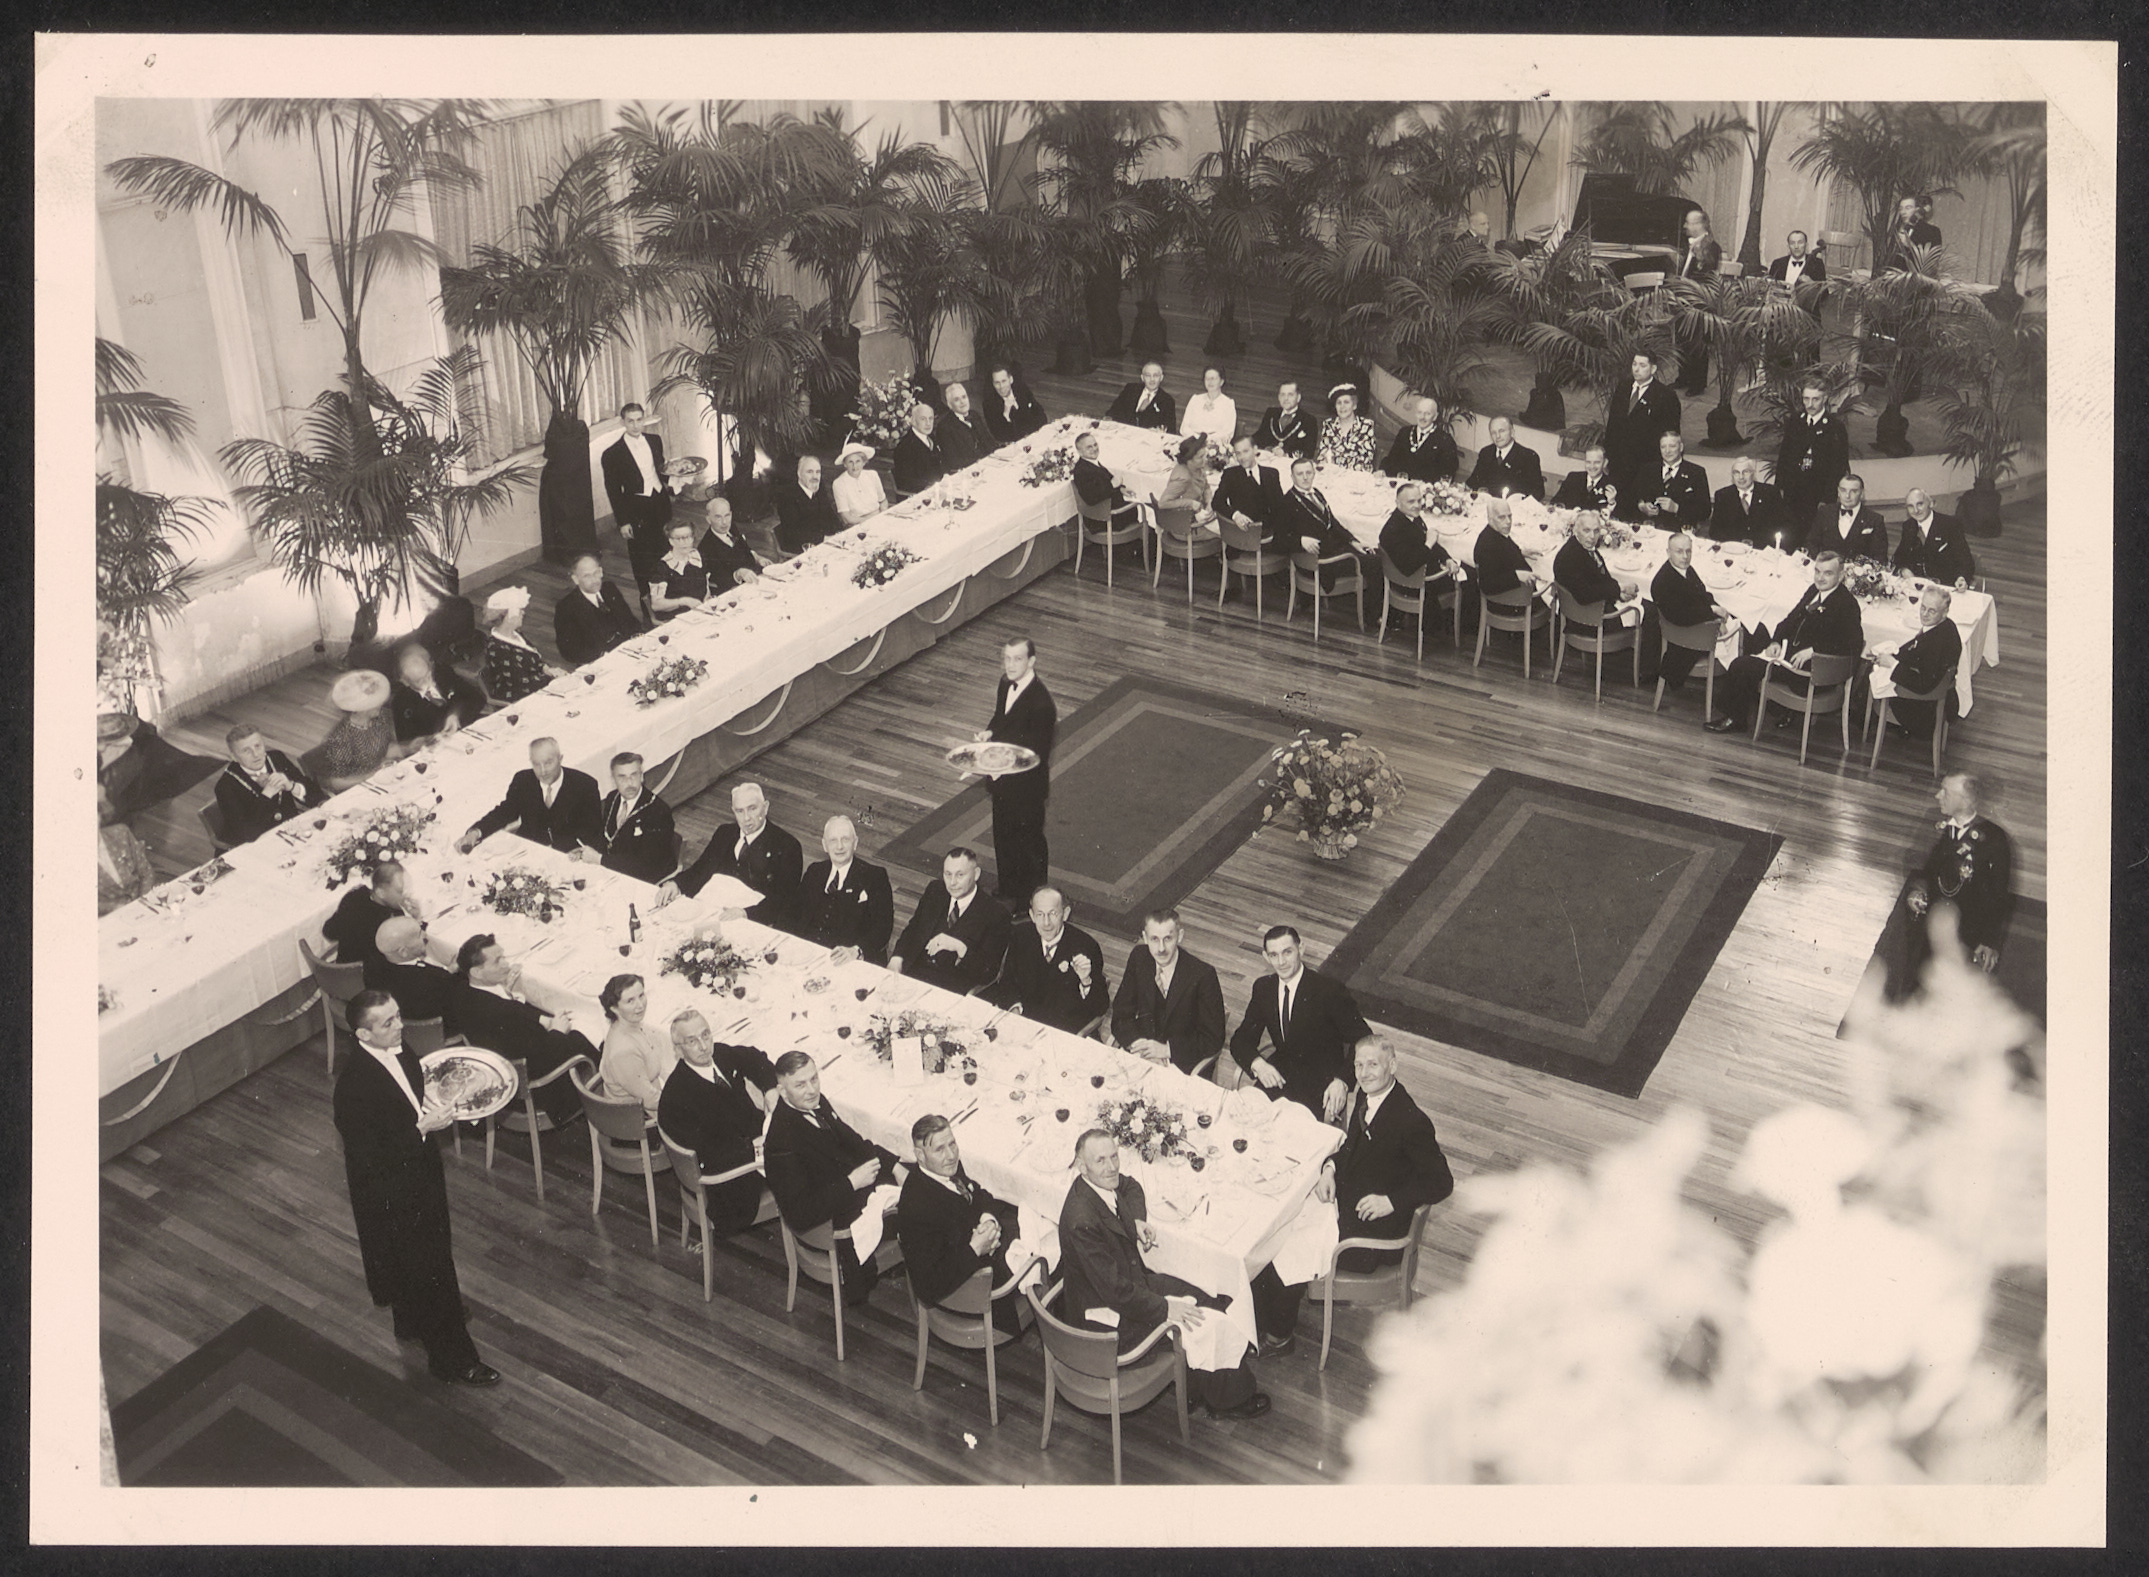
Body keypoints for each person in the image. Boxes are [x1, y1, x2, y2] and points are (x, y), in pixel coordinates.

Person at [1248, 1036, 1455, 1355]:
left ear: (1392, 1066)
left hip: (1372, 1235)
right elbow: (1350, 1148)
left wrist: (1390, 1202)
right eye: (1359, 1065)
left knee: (1288, 1246)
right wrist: (1330, 1168)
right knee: (1278, 1226)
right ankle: (1260, 1318)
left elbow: (1442, 1181)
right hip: (1348, 1203)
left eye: (1373, 1064)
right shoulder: (1367, 1096)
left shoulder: (1410, 1120)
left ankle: (1279, 1335)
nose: (1364, 1073)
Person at [332, 992, 497, 1386]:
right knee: (431, 1267)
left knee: (418, 1263)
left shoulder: (399, 1048)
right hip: (391, 1192)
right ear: (363, 1035)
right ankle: (454, 1361)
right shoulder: (352, 1087)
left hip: (418, 1173)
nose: (400, 1026)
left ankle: (409, 1321)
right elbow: (369, 1155)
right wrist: (421, 1128)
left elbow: (410, 1098)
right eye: (388, 1022)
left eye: (398, 1015)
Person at [1057, 1129, 1269, 1420]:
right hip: (1109, 1321)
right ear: (1082, 1167)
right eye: (1100, 1160)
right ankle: (1228, 1400)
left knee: (1207, 1298)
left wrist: (1135, 1219)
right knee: (1203, 1322)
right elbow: (1116, 1293)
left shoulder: (1098, 1185)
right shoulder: (1081, 1219)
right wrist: (1167, 1307)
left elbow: (1131, 1187)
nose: (1112, 1167)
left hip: (1130, 1286)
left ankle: (1195, 1387)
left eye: (1114, 1157)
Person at [762, 1051, 906, 1305]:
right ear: (782, 1092)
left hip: (849, 1191)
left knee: (921, 1174)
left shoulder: (815, 1104)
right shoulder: (781, 1141)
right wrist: (852, 1182)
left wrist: (894, 1165)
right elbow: (800, 1213)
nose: (812, 1090)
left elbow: (854, 1143)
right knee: (927, 1205)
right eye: (800, 1084)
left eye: (814, 1079)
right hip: (834, 1225)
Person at [898, 1113, 1029, 1334]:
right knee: (1052, 1251)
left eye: (952, 1144)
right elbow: (928, 1286)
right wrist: (975, 1248)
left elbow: (978, 1194)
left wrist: (988, 1219)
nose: (951, 1155)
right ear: (920, 1155)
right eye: (939, 1149)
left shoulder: (944, 1168)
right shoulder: (917, 1205)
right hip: (972, 1292)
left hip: (982, 1252)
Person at [1226, 925, 1372, 1124]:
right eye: (1274, 955)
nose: (1281, 962)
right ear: (1266, 957)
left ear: (1301, 949)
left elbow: (1364, 1039)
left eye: (1287, 952)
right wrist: (1258, 1064)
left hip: (1321, 1082)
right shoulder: (1263, 988)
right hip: (1279, 1074)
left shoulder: (1329, 990)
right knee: (1247, 1122)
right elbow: (1241, 1039)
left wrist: (1342, 1081)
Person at [447, 931, 597, 1125]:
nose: (506, 964)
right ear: (476, 972)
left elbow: (510, 1012)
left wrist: (538, 1017)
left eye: (503, 956)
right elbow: (542, 1059)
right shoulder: (501, 1013)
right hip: (540, 1087)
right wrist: (558, 1031)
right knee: (591, 1029)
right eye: (497, 961)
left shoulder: (464, 991)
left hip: (508, 1064)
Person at [1706, 551, 1865, 732]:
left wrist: (1814, 650)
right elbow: (1791, 619)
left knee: (1741, 665)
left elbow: (1853, 645)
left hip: (1811, 673)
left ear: (1841, 575)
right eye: (1817, 571)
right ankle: (1776, 707)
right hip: (1792, 659)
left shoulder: (1847, 604)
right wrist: (1776, 641)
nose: (1820, 578)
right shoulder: (1815, 591)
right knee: (1757, 634)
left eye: (1828, 573)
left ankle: (1736, 719)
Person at [1888, 773, 2013, 997]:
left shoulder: (1994, 839)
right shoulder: (1934, 824)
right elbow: (1917, 860)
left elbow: (1999, 894)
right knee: (1916, 980)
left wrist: (1989, 940)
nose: (1938, 796)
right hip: (1928, 920)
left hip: (1967, 927)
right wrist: (1918, 889)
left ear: (1966, 801)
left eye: (1945, 792)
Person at [655, 1009, 779, 1233]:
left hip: (754, 1140)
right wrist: (754, 1147)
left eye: (706, 1035)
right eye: (692, 1041)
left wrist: (770, 1089)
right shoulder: (677, 1098)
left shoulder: (719, 1055)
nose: (704, 1046)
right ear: (678, 1050)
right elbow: (708, 1157)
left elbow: (755, 1058)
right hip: (731, 1181)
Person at [976, 636, 1056, 907]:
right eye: (1007, 659)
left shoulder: (1042, 704)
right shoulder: (1005, 683)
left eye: (1017, 659)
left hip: (1026, 787)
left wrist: (997, 763)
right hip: (1002, 782)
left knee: (1028, 843)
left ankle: (1030, 900)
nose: (1010, 665)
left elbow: (1035, 755)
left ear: (1031, 661)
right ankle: (1008, 889)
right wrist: (990, 733)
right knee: (1003, 836)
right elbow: (1001, 717)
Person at [661, 780, 804, 927]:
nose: (746, 818)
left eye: (752, 809)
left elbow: (783, 900)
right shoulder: (725, 833)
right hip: (709, 908)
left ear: (765, 807)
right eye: (739, 811)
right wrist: (676, 884)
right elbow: (700, 869)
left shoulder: (787, 846)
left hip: (749, 919)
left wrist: (746, 913)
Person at [1109, 908, 1227, 1076]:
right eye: (1154, 939)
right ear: (1145, 937)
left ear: (1180, 936)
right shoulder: (1138, 958)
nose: (1161, 948)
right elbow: (1121, 1014)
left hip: (1182, 1066)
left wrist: (1167, 1050)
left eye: (1168, 939)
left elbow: (1213, 1039)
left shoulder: (1203, 975)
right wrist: (1141, 1048)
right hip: (1140, 1055)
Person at [983, 886, 1110, 1035]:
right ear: (1031, 915)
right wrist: (1014, 1007)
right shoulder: (1020, 935)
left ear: (1065, 914)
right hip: (1025, 1025)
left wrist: (1086, 980)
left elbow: (1100, 1007)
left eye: (1053, 914)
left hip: (1064, 1033)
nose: (1046, 923)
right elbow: (1008, 981)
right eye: (1040, 914)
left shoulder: (1086, 946)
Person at [890, 846, 1012, 996]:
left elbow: (988, 972)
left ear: (976, 874)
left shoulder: (996, 913)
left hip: (950, 991)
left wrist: (961, 948)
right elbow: (913, 929)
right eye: (948, 874)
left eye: (960, 875)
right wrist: (897, 957)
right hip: (913, 977)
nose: (952, 882)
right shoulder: (935, 890)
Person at [456, 735, 604, 858]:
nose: (543, 771)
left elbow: (592, 831)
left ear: (560, 759)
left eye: (548, 763)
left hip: (567, 855)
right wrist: (475, 833)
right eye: (536, 764)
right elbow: (504, 812)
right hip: (527, 851)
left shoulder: (585, 785)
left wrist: (567, 852)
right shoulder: (523, 780)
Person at [794, 814, 895, 966]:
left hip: (847, 960)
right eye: (833, 840)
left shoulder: (875, 877)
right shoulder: (815, 871)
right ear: (824, 845)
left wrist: (856, 950)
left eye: (845, 839)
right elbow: (793, 912)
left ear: (855, 843)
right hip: (809, 954)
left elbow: (883, 927)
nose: (839, 846)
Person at [1871, 584, 1963, 740]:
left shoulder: (1936, 642)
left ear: (1945, 612)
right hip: (1940, 696)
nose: (1924, 614)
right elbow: (1918, 648)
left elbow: (1923, 684)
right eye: (1923, 608)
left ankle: (1868, 723)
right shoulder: (1947, 626)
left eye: (1932, 611)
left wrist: (1893, 664)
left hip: (1921, 708)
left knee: (1870, 677)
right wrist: (1894, 654)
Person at [1647, 531, 1736, 693]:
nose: (1685, 556)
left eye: (1688, 551)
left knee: (1750, 630)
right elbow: (1680, 616)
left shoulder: (1684, 569)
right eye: (1679, 551)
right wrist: (1713, 614)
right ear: (1668, 552)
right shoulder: (1663, 582)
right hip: (1688, 642)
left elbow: (1703, 594)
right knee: (1750, 639)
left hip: (1700, 628)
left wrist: (1717, 614)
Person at [600, 401, 675, 590]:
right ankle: (646, 596)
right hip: (637, 508)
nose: (635, 425)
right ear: (622, 422)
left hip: (660, 501)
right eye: (630, 421)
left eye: (639, 420)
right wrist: (623, 521)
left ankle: (670, 590)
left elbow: (661, 470)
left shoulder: (655, 440)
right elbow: (613, 490)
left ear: (644, 420)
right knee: (642, 556)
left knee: (667, 547)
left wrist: (678, 478)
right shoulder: (612, 454)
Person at [213, 724, 323, 845]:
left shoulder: (277, 758)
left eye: (258, 746)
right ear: (233, 757)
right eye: (246, 751)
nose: (256, 754)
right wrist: (266, 796)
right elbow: (247, 833)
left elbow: (318, 797)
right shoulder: (225, 786)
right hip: (257, 844)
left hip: (292, 833)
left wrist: (292, 786)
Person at [309, 669, 408, 793]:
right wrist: (370, 776)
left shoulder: (381, 716)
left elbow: (389, 745)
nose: (380, 704)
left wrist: (405, 748)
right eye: (374, 702)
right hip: (361, 789)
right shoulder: (341, 737)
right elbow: (337, 782)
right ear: (359, 708)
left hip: (385, 778)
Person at [1281, 456, 1372, 589]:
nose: (1305, 477)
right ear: (1292, 477)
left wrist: (1353, 541)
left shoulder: (1316, 493)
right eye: (1300, 474)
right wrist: (1300, 540)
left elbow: (1332, 523)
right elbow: (1279, 539)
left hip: (1334, 550)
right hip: (1322, 563)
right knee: (1376, 564)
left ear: (1314, 474)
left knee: (1375, 553)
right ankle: (1372, 603)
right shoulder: (1287, 501)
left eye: (1308, 473)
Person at [1602, 351, 1681, 504]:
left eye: (1642, 365)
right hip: (1619, 464)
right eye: (1634, 364)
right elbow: (1612, 426)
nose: (1636, 369)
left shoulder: (1665, 395)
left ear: (1653, 369)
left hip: (1645, 466)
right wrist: (1607, 455)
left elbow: (1670, 435)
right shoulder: (1623, 387)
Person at [589, 751, 677, 884]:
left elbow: (646, 865)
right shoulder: (612, 798)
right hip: (616, 869)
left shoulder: (658, 811)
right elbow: (606, 836)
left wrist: (600, 859)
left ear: (642, 776)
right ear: (613, 780)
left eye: (634, 775)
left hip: (646, 879)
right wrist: (589, 850)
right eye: (622, 777)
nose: (629, 783)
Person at [1775, 382, 1850, 533]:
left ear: (1825, 398)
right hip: (1793, 492)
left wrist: (1827, 498)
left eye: (1815, 399)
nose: (1810, 404)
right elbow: (1784, 456)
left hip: (1817, 494)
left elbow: (1838, 466)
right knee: (1790, 534)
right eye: (1806, 399)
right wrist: (1779, 488)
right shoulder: (1795, 421)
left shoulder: (1835, 427)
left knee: (1814, 535)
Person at [593, 974, 670, 1118]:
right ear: (615, 1008)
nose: (640, 1005)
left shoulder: (629, 1025)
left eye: (641, 995)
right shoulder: (623, 1051)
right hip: (638, 1117)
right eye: (630, 1001)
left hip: (649, 1092)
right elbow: (650, 1100)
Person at [553, 553, 645, 668]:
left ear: (601, 571)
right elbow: (568, 650)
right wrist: (602, 656)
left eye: (596, 573)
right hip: (600, 662)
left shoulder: (609, 589)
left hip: (629, 652)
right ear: (575, 579)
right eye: (587, 576)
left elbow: (630, 621)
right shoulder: (566, 607)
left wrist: (638, 640)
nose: (594, 580)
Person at [474, 584, 562, 703]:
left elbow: (534, 659)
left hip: (536, 686)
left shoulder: (516, 634)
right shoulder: (497, 648)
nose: (523, 613)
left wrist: (546, 669)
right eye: (519, 610)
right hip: (519, 697)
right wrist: (552, 678)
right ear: (507, 616)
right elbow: (521, 684)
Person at [388, 643, 487, 746]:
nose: (427, 681)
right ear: (405, 682)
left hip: (470, 734)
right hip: (440, 748)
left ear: (430, 666)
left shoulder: (442, 672)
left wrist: (455, 713)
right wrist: (433, 736)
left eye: (428, 675)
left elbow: (477, 698)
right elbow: (408, 744)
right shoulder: (401, 703)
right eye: (419, 681)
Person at [364, 916, 455, 1025]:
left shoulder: (371, 964)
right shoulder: (434, 982)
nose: (425, 935)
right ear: (403, 952)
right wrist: (452, 970)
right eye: (419, 935)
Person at [324, 858, 412, 971]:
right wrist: (417, 918)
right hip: (368, 974)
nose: (406, 895)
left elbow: (329, 932)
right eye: (400, 891)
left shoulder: (355, 895)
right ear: (381, 892)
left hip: (343, 966)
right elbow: (410, 948)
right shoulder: (387, 922)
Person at [1673, 208, 1724, 394]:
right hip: (1683, 300)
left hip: (1699, 302)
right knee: (1682, 340)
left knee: (1698, 343)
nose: (1685, 226)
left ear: (1700, 225)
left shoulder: (1712, 247)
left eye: (1688, 222)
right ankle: (1683, 377)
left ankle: (1697, 383)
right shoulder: (1686, 245)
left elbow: (1707, 274)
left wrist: (1698, 254)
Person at [1378, 481, 1465, 585]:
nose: (1417, 505)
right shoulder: (1392, 531)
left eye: (1419, 500)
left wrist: (1447, 559)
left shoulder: (1410, 517)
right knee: (1470, 577)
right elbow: (1409, 567)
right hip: (1415, 584)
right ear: (1398, 503)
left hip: (1423, 571)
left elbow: (1427, 542)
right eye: (1411, 502)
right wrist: (1428, 544)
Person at [1553, 509, 1638, 611]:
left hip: (1592, 606)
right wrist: (1620, 588)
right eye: (1586, 531)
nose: (1592, 536)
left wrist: (1619, 594)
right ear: (1576, 531)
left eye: (1596, 531)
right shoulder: (1570, 557)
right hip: (1590, 614)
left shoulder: (1583, 547)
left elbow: (1601, 579)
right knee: (1648, 609)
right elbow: (1585, 594)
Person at [1212, 434, 1286, 545]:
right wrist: (1236, 515)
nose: (1242, 457)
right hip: (1243, 537)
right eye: (1238, 453)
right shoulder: (1230, 475)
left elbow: (1280, 506)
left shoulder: (1271, 473)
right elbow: (1217, 502)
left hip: (1270, 537)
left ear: (1255, 450)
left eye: (1245, 451)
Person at [1893, 489, 1976, 585]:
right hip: (1918, 585)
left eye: (1920, 504)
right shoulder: (1908, 526)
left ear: (1931, 503)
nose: (1916, 510)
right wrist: (1903, 569)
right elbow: (1899, 557)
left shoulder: (1950, 525)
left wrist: (1962, 578)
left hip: (1944, 585)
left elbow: (1966, 561)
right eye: (1910, 506)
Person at [96, 785, 156, 916]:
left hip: (144, 904)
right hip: (111, 917)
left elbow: (146, 871)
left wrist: (143, 901)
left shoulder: (121, 833)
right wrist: (114, 908)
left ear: (100, 815)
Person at [1637, 430, 1712, 531]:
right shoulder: (1648, 470)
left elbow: (1705, 511)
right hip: (1650, 530)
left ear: (1681, 447)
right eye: (1663, 447)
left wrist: (1677, 508)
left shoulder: (1696, 472)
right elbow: (1636, 497)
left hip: (1682, 532)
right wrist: (1643, 507)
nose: (1667, 451)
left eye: (1672, 446)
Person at [1468, 496, 1539, 602]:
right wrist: (1518, 575)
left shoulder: (1496, 533)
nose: (1508, 522)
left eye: (1510, 516)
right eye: (1501, 517)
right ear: (1490, 519)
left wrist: (1521, 552)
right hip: (1511, 601)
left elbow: (1504, 552)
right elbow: (1487, 585)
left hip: (1516, 592)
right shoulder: (1487, 544)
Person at [1711, 456, 1790, 548]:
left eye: (1745, 472)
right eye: (1736, 473)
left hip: (1763, 550)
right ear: (1732, 475)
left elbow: (1782, 526)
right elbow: (1714, 531)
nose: (1741, 477)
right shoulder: (1723, 495)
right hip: (1733, 549)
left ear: (1753, 473)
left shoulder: (1770, 493)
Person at [1070, 430, 1140, 534]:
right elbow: (1090, 498)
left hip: (1107, 510)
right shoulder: (1081, 471)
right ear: (1079, 452)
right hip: (1104, 519)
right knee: (1146, 508)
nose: (1094, 449)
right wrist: (1112, 485)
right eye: (1089, 447)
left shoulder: (1090, 463)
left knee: (1142, 500)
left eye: (1095, 445)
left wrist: (1121, 489)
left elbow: (1106, 481)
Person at [1809, 473, 1891, 562]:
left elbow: (1880, 555)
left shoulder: (1874, 519)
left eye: (1853, 491)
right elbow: (1811, 543)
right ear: (1838, 492)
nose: (1847, 496)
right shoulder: (1825, 512)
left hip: (1859, 569)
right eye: (1843, 490)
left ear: (1862, 494)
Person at [1381, 393, 1460, 484]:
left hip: (1427, 489)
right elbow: (1392, 459)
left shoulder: (1445, 440)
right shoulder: (1405, 432)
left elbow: (1447, 473)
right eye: (1419, 413)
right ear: (1416, 413)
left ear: (1435, 416)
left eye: (1427, 414)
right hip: (1402, 486)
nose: (1422, 417)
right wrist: (1383, 470)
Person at [772, 454, 842, 556]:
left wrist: (840, 532)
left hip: (823, 544)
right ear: (799, 474)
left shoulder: (819, 488)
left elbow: (830, 514)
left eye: (818, 472)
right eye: (809, 472)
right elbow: (793, 533)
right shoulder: (787, 496)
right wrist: (824, 539)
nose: (815, 476)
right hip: (800, 549)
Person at [693, 496, 763, 593]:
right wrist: (738, 574)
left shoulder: (731, 527)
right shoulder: (706, 547)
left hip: (752, 579)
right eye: (718, 517)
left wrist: (758, 558)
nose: (724, 522)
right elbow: (719, 579)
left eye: (727, 515)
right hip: (732, 590)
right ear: (708, 519)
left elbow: (745, 549)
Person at [1467, 415, 1544, 501]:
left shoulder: (1528, 457)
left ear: (1512, 432)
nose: (1498, 436)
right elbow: (1473, 482)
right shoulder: (1486, 452)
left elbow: (1538, 492)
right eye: (1493, 433)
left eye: (1502, 431)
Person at [648, 520, 712, 621]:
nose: (684, 542)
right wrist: (684, 601)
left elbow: (706, 586)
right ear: (671, 541)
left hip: (699, 613)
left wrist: (707, 601)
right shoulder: (662, 567)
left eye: (688, 537)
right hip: (675, 618)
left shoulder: (698, 557)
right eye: (679, 538)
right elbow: (656, 605)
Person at [1155, 434, 1218, 527]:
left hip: (1200, 514)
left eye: (1205, 455)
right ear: (1189, 460)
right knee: (1225, 530)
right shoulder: (1183, 478)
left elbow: (1206, 487)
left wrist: (1209, 502)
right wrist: (1191, 503)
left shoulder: (1198, 468)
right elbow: (1163, 503)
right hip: (1185, 524)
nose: (1205, 459)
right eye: (1200, 457)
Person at [1252, 380, 1321, 462]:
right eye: (1282, 394)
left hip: (1290, 463)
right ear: (1278, 397)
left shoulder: (1309, 420)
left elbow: (1309, 452)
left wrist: (1286, 454)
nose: (1286, 398)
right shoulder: (1271, 413)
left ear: (1298, 398)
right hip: (1267, 460)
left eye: (1290, 395)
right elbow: (1259, 436)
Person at [891, 401, 948, 496]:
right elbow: (906, 482)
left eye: (931, 418)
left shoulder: (931, 438)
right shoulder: (904, 447)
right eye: (923, 419)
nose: (928, 423)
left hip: (939, 489)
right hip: (920, 496)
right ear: (913, 421)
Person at [1315, 385, 1376, 472]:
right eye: (1339, 403)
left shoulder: (1366, 425)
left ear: (1354, 405)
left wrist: (1340, 470)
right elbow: (1323, 455)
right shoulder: (1328, 425)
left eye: (1346, 402)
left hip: (1357, 475)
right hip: (1332, 474)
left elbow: (1365, 459)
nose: (1342, 406)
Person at [1105, 360, 1178, 432]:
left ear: (1161, 378)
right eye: (1148, 376)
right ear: (1142, 378)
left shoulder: (1167, 401)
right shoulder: (1130, 389)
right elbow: (1113, 411)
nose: (1152, 379)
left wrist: (1158, 431)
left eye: (1155, 376)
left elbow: (1170, 430)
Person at [983, 365, 1048, 444]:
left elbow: (1041, 415)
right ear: (993, 384)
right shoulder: (989, 404)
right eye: (997, 383)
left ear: (1011, 379)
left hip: (1033, 437)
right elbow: (1000, 435)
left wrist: (1030, 433)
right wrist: (1006, 414)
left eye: (1004, 381)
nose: (1001, 387)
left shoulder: (1021, 389)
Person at [1551, 444, 1621, 518]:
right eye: (1588, 462)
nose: (1592, 466)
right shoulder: (1573, 478)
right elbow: (1554, 503)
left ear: (1605, 463)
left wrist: (1612, 503)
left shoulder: (1612, 485)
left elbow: (1620, 517)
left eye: (1597, 462)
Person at [1768, 228, 1828, 314]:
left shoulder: (1817, 264)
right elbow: (1769, 290)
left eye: (1800, 242)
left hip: (1805, 314)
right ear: (1788, 246)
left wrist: (1812, 284)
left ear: (1806, 245)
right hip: (1780, 313)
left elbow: (1825, 295)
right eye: (1792, 243)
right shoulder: (1778, 263)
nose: (1796, 246)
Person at [831, 443, 888, 527]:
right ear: (845, 464)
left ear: (863, 462)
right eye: (850, 462)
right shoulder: (839, 483)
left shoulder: (872, 475)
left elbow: (883, 501)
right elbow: (846, 517)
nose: (854, 466)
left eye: (858, 461)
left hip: (878, 518)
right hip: (857, 524)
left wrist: (882, 515)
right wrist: (870, 521)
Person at [1181, 367, 1238, 450]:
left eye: (1213, 378)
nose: (1210, 382)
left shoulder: (1228, 403)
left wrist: (1206, 440)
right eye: (1207, 379)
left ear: (1221, 382)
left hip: (1214, 447)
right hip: (1191, 444)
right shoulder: (1195, 399)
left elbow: (1227, 433)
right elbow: (1184, 427)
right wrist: (1196, 440)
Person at [937, 382, 990, 469]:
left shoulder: (975, 415)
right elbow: (954, 461)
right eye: (956, 400)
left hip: (988, 464)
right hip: (968, 470)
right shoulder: (944, 427)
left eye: (964, 397)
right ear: (950, 405)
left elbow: (990, 442)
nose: (962, 402)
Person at [1888, 195, 1943, 269]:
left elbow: (1932, 261)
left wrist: (1910, 245)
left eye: (1908, 208)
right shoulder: (1898, 229)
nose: (1903, 212)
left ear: (1918, 210)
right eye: (1901, 209)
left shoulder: (1933, 231)